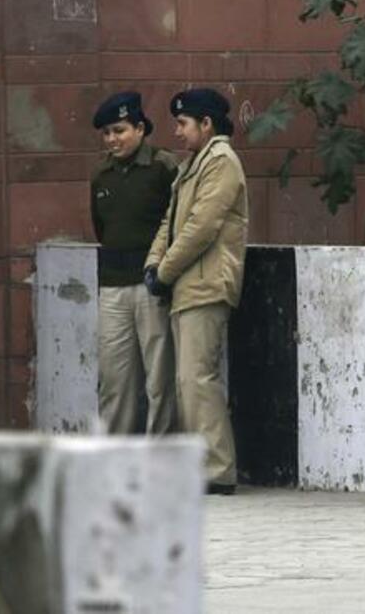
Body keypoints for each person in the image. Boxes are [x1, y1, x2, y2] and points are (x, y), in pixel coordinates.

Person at [144, 88, 248, 495]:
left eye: (184, 123)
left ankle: (218, 469)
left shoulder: (221, 161)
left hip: (205, 284)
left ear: (206, 124)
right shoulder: (194, 165)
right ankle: (202, 465)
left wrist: (164, 271)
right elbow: (169, 223)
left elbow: (201, 227)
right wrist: (154, 264)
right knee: (187, 381)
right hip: (187, 285)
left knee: (197, 379)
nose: (177, 131)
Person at [90, 91, 179, 435]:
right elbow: (102, 228)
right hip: (112, 288)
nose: (112, 139)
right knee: (114, 380)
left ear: (140, 129)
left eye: (120, 130)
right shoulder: (101, 176)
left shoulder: (164, 166)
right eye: (107, 133)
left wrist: (161, 272)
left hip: (152, 286)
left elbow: (177, 223)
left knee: (160, 379)